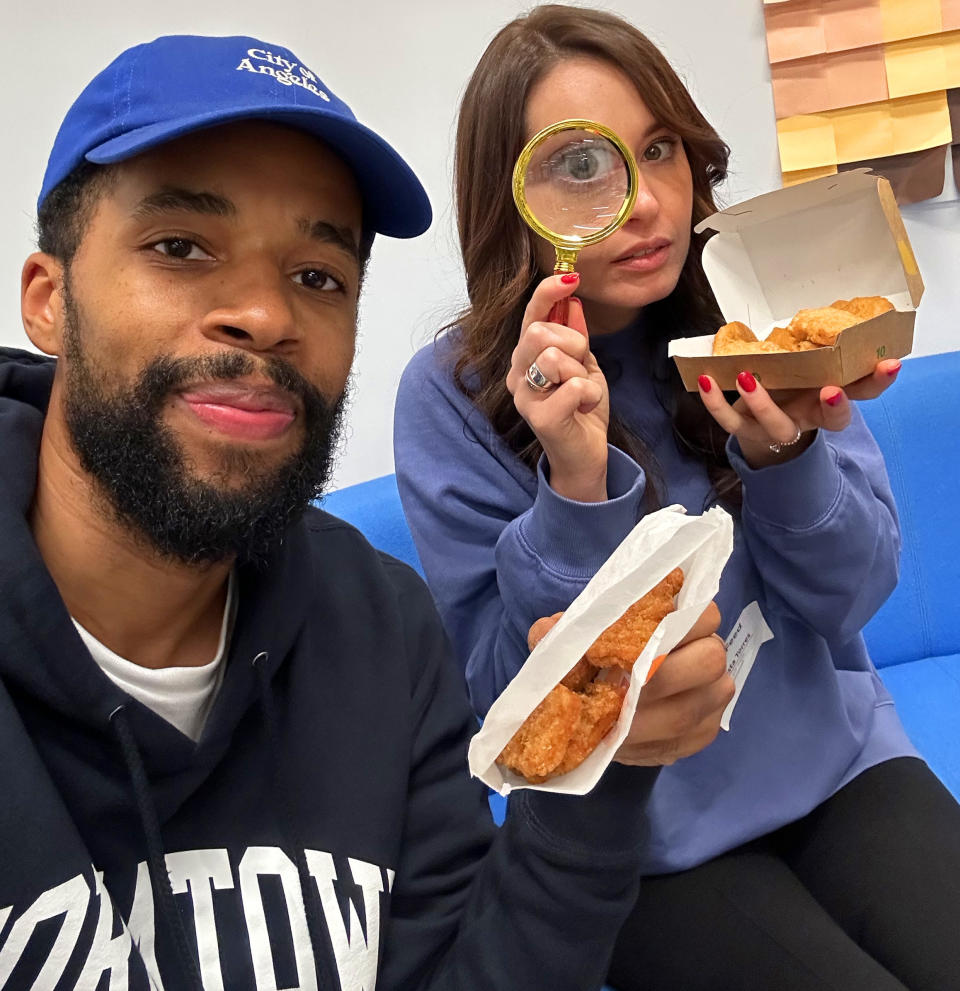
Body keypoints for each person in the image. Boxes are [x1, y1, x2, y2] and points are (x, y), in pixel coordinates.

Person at [0, 32, 734, 990]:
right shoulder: (461, 397)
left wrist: (603, 763)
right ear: (49, 300)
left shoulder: (382, 625)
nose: (265, 315)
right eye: (180, 247)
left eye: (318, 276)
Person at [393, 6, 960, 990]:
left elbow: (852, 601)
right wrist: (574, 482)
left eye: (660, 149)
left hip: (843, 763)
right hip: (645, 840)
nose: (646, 200)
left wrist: (791, 462)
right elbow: (514, 701)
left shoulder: (756, 319)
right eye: (583, 166)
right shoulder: (454, 392)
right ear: (512, 198)